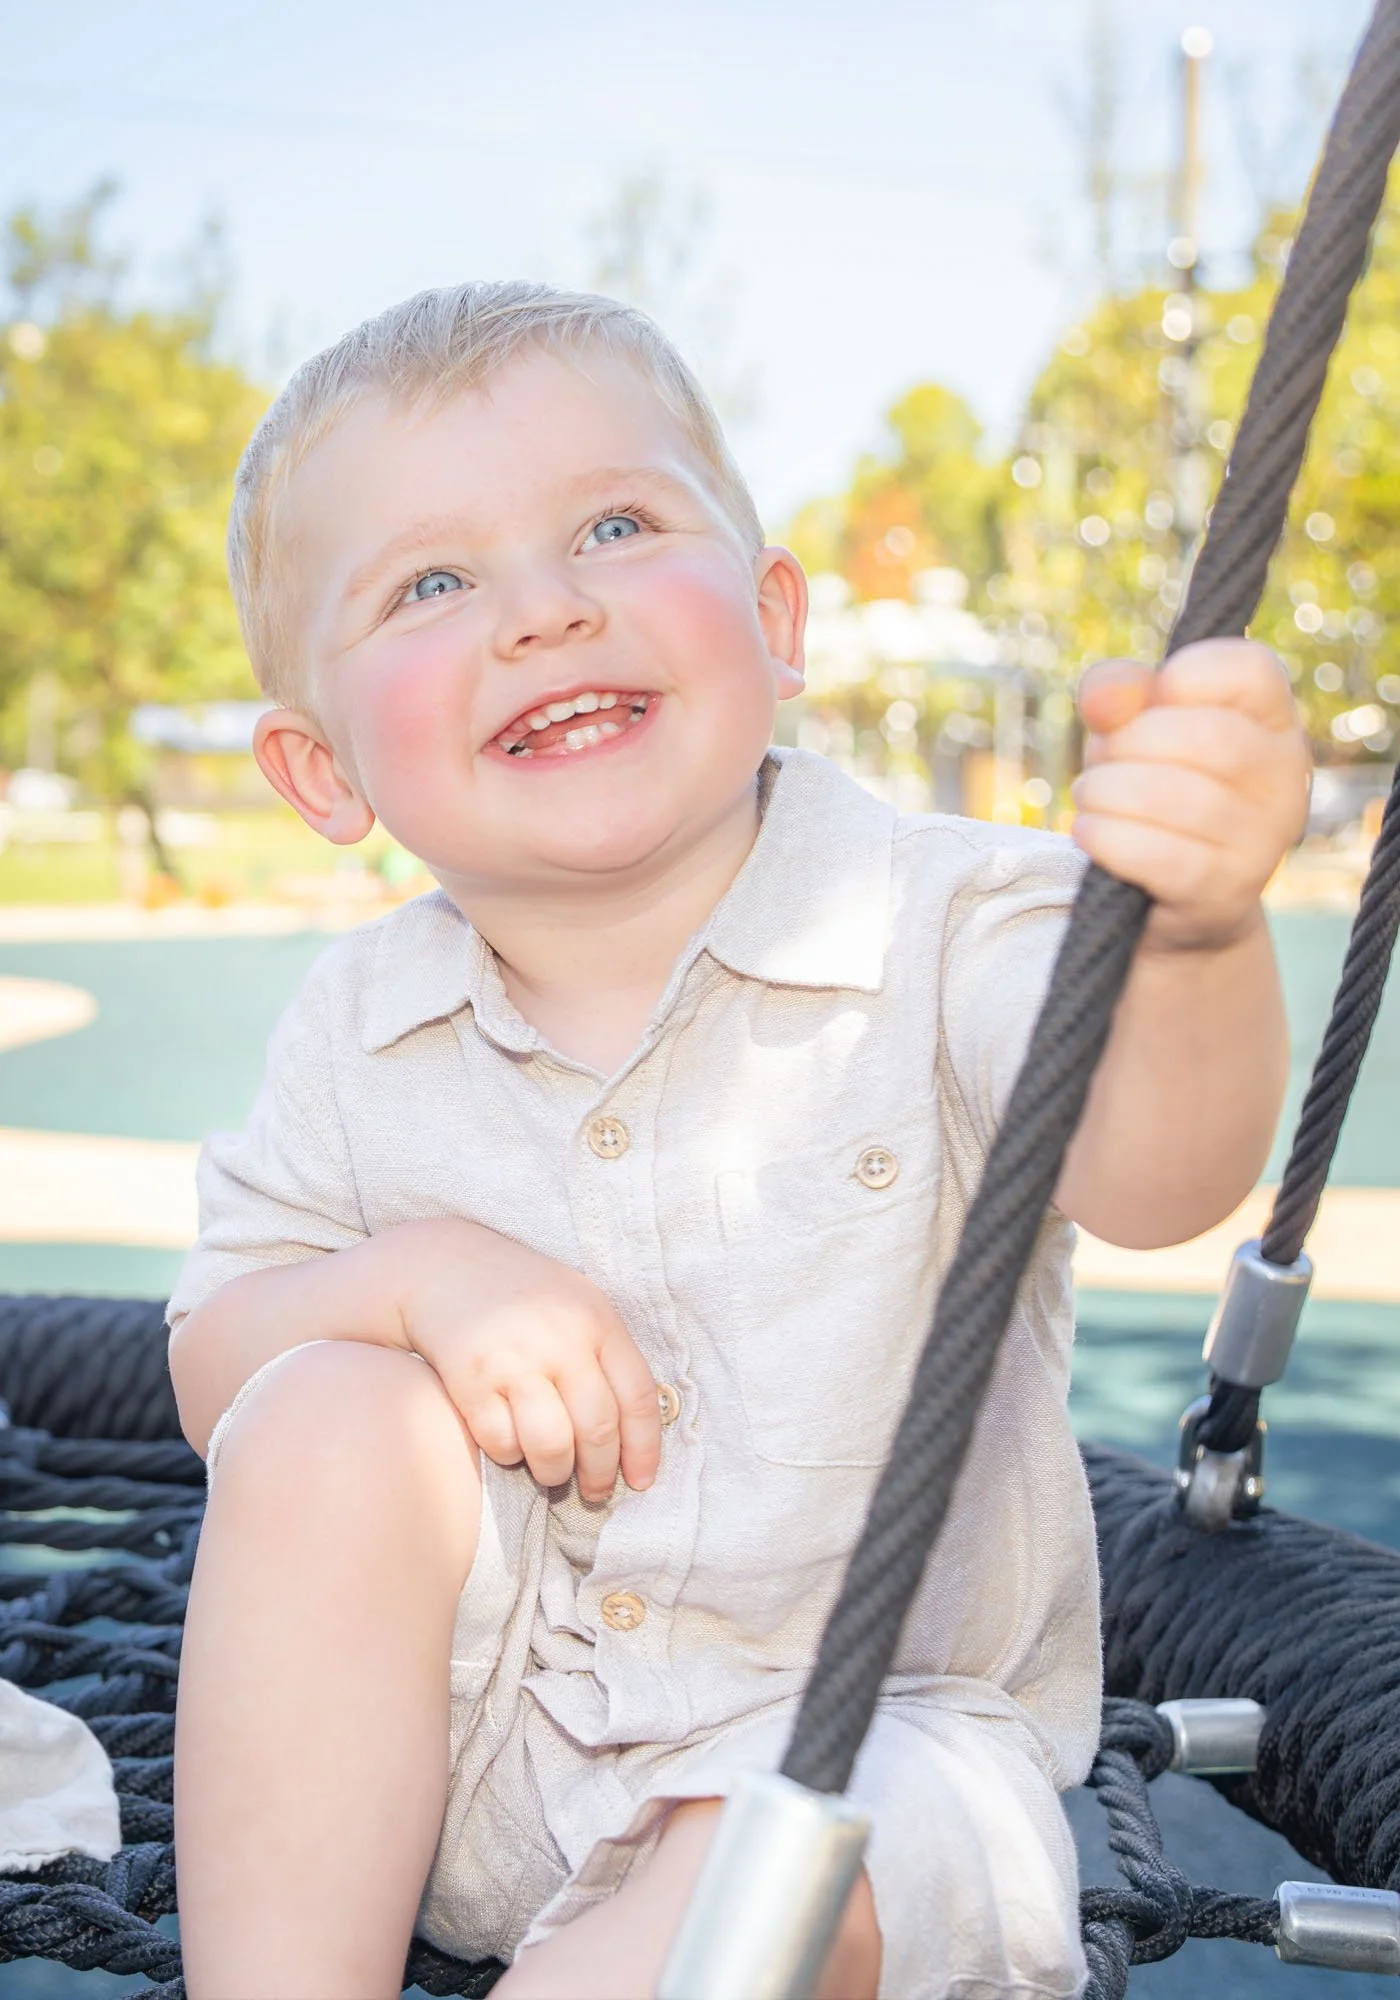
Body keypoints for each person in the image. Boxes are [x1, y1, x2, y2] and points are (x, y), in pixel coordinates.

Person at [166, 281, 1309, 2000]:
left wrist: (1204, 938)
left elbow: (1155, 1177)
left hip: (871, 1770)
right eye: (432, 582)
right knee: (321, 1403)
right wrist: (413, 1282)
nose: (544, 611)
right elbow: (211, 1375)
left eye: (615, 526)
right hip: (481, 1758)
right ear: (323, 771)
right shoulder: (355, 1024)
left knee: (761, 1878)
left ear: (775, 621)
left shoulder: (954, 918)